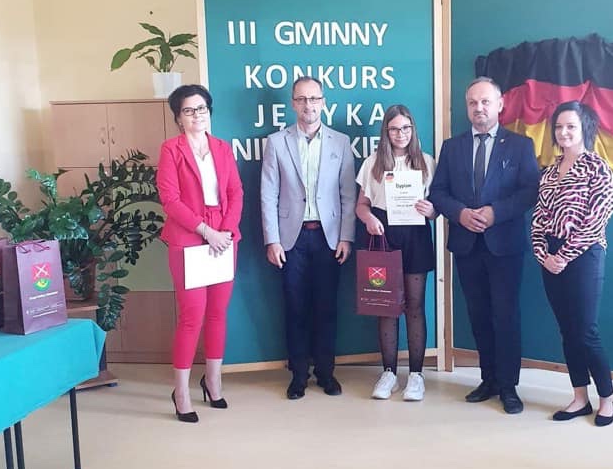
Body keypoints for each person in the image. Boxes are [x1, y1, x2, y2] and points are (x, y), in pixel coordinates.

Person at [429, 77, 540, 414]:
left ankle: (508, 386)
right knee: (478, 315)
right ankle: (488, 379)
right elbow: (438, 192)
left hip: (504, 245)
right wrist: (460, 213)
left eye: (485, 102)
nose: (479, 108)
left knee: (505, 316)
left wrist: (495, 213)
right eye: (473, 103)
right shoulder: (452, 147)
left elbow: (529, 192)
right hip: (467, 245)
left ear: (500, 104)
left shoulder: (520, 146)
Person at [260, 76, 355, 399]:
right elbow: (268, 194)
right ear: (293, 103)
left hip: (329, 238)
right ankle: (298, 375)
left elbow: (348, 195)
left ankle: (326, 373)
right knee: (295, 308)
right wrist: (272, 240)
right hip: (292, 239)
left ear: (323, 102)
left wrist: (346, 237)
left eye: (314, 99)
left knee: (327, 308)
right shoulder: (276, 142)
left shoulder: (340, 142)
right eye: (301, 99)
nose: (308, 105)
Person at [157, 84, 243, 422]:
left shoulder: (222, 147)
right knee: (192, 315)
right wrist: (206, 231)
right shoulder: (171, 149)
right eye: (189, 110)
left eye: (202, 108)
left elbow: (236, 192)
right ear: (178, 117)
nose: (197, 115)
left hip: (224, 237)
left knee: (218, 313)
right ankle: (181, 392)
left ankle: (213, 381)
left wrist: (225, 231)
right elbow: (170, 199)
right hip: (189, 237)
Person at [531, 101, 613, 425]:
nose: (563, 132)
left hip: (584, 255)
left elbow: (597, 219)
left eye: (571, 126)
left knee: (586, 331)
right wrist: (544, 255)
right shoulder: (549, 172)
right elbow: (539, 218)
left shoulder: (598, 168)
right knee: (567, 331)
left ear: (584, 129)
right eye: (559, 127)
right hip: (550, 258)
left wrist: (563, 256)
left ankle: (607, 399)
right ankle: (580, 398)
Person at [356, 105, 436, 402]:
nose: (400, 134)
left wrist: (432, 210)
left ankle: (416, 375)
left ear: (412, 130)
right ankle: (388, 372)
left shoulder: (427, 162)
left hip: (416, 235)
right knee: (386, 305)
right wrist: (368, 219)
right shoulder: (373, 163)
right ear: (386, 132)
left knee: (415, 305)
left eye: (405, 128)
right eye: (394, 129)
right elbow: (361, 205)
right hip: (383, 234)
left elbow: (436, 208)